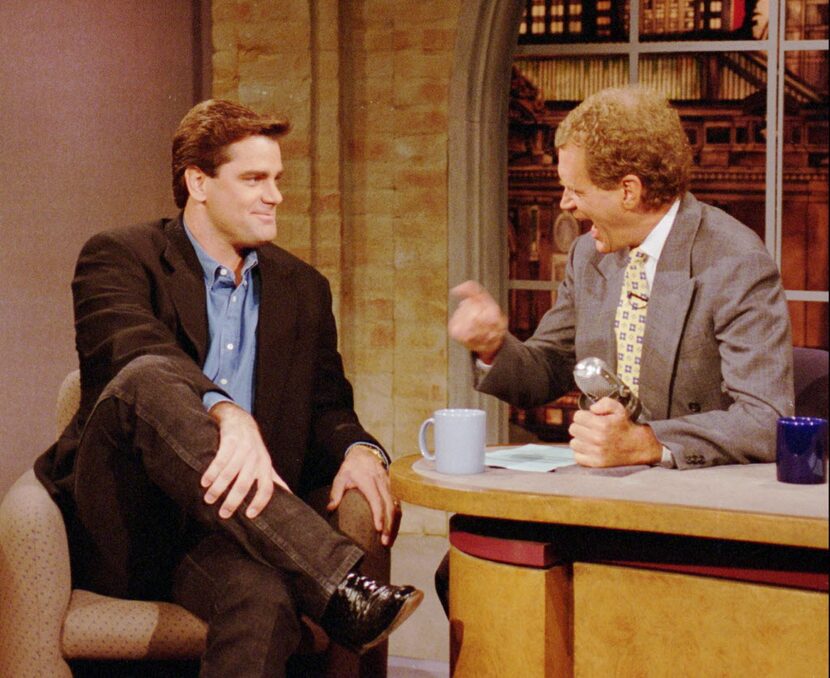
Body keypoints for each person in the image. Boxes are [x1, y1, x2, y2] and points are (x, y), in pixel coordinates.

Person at [35, 99, 421, 677]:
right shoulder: (118, 256)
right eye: (253, 179)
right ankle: (337, 584)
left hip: (229, 538)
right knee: (146, 376)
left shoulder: (302, 289)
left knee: (262, 600)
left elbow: (327, 408)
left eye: (277, 179)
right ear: (199, 183)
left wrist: (359, 449)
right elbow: (129, 349)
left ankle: (330, 585)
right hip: (130, 520)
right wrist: (225, 411)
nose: (275, 196)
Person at [436, 85, 793, 611]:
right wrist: (493, 345)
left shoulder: (733, 261)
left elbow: (766, 418)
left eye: (575, 190)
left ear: (629, 190)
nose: (565, 204)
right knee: (470, 572)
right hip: (599, 496)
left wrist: (646, 443)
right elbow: (546, 370)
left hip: (691, 510)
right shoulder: (590, 256)